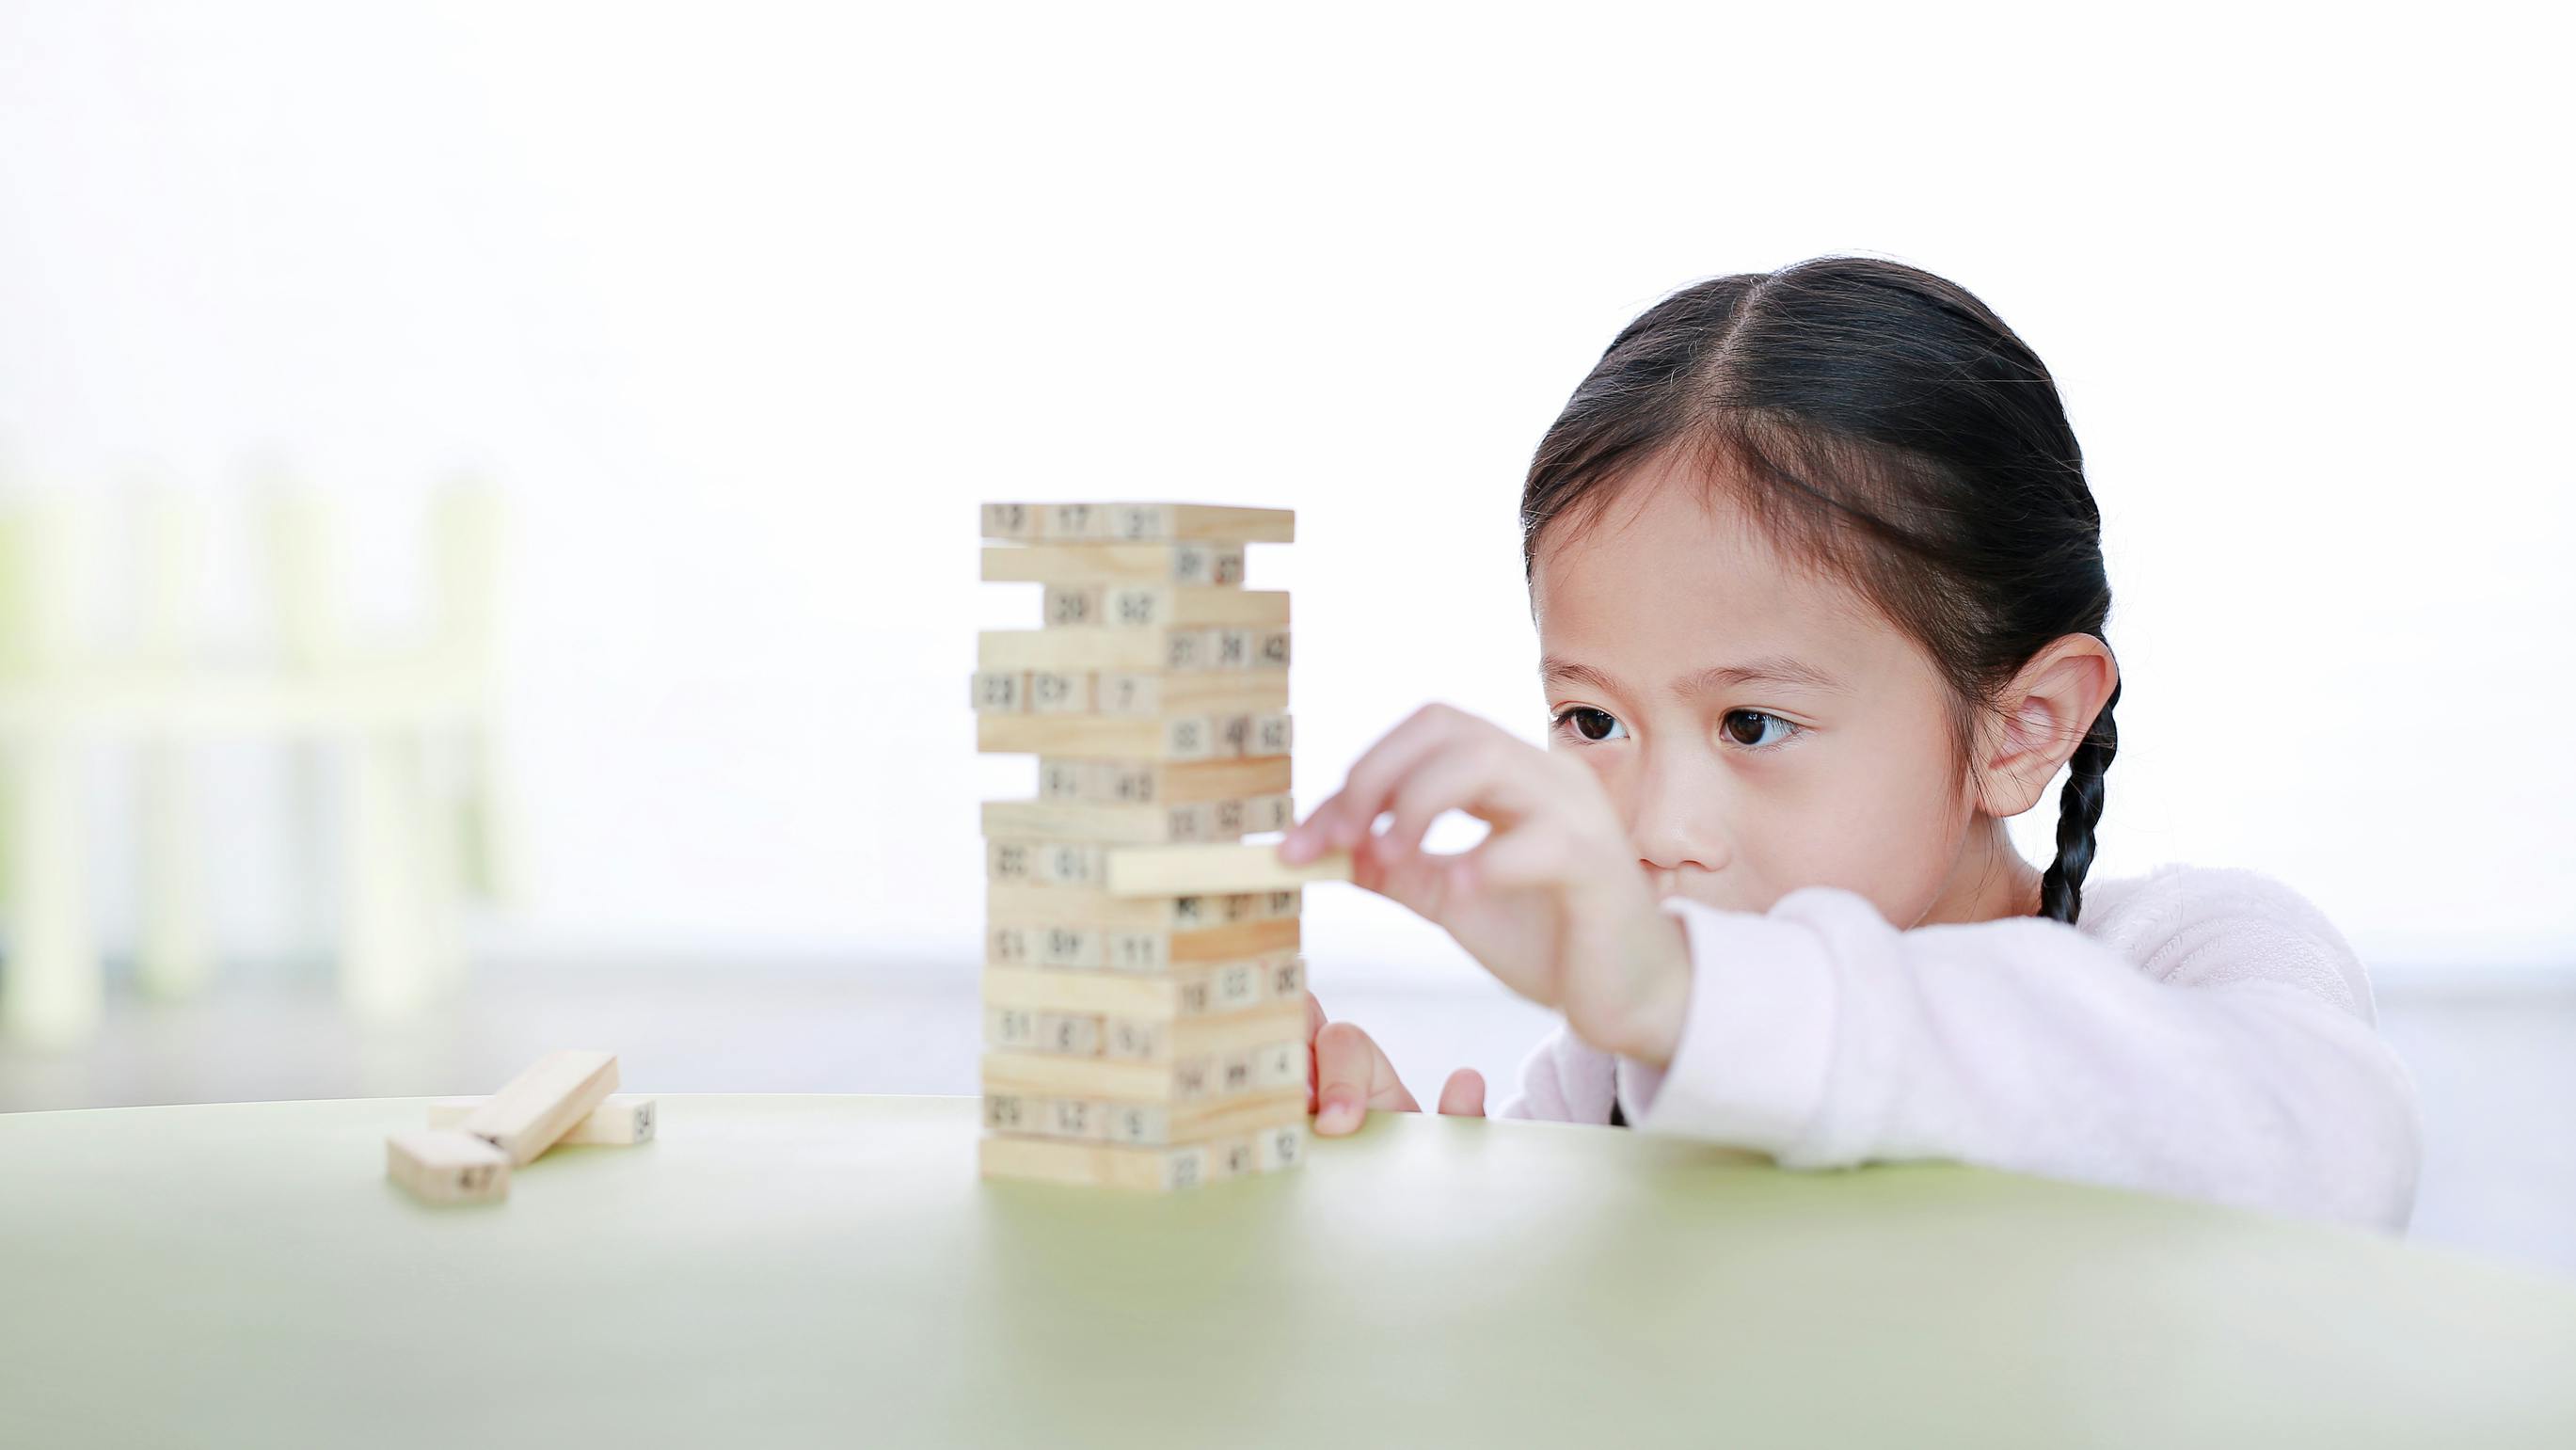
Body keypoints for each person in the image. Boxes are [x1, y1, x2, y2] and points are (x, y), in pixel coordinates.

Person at [1279, 256, 2421, 1231]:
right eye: (1594, 720)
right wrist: (1403, 1182)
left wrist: (1683, 998)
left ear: (2024, 727)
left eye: (1751, 724)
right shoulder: (1612, 1070)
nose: (1654, 826)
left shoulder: (2193, 958)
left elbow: (2335, 1154)